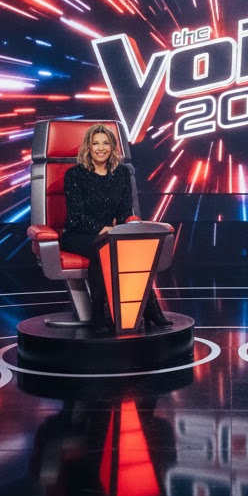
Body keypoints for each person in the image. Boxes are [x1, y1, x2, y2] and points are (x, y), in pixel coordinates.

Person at [61, 123, 171, 336]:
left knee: (132, 249)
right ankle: (98, 314)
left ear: (112, 147)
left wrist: (124, 227)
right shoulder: (74, 174)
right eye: (95, 143)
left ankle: (149, 307)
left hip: (109, 235)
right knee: (100, 250)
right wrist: (103, 229)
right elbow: (75, 217)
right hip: (77, 235)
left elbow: (124, 211)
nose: (100, 148)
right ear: (88, 147)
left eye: (105, 143)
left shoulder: (121, 173)